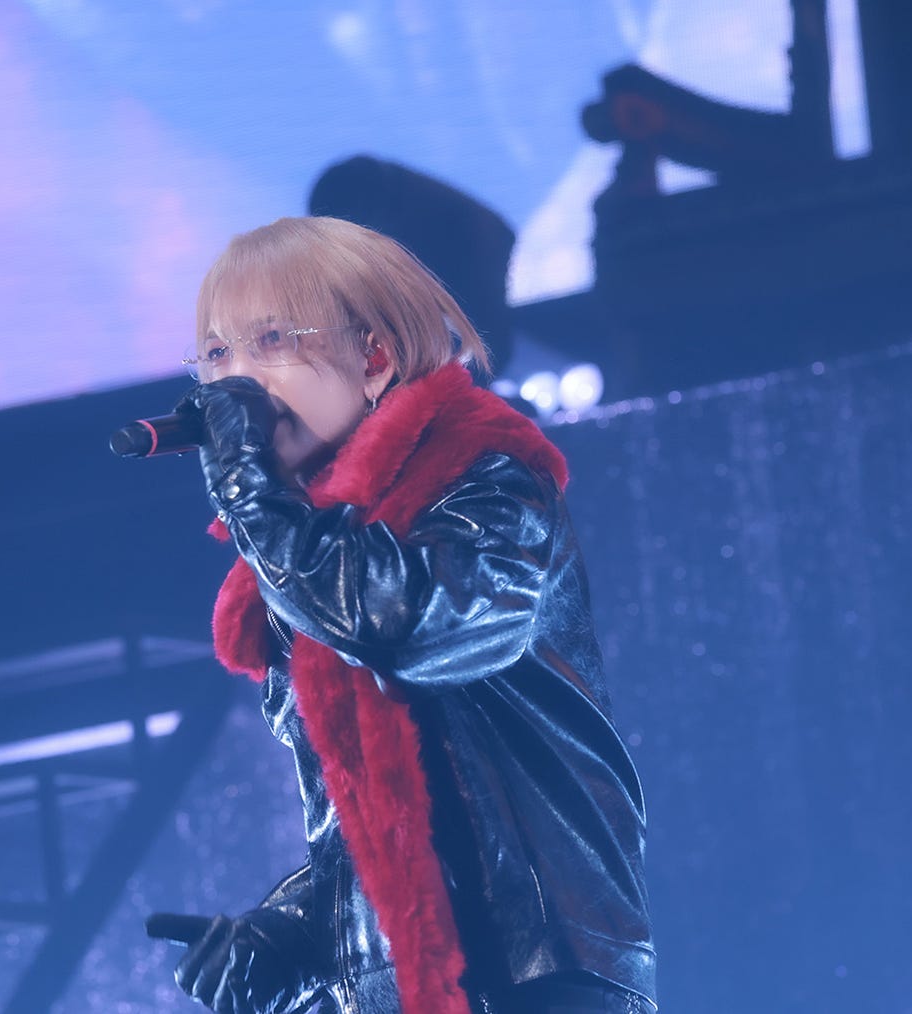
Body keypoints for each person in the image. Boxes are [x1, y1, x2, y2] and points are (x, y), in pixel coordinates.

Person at [152, 216, 656, 1014]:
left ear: (374, 358)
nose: (235, 383)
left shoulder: (490, 484)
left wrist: (252, 493)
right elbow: (384, 830)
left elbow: (405, 626)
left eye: (270, 341)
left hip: (544, 977)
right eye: (217, 355)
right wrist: (288, 935)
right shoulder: (307, 557)